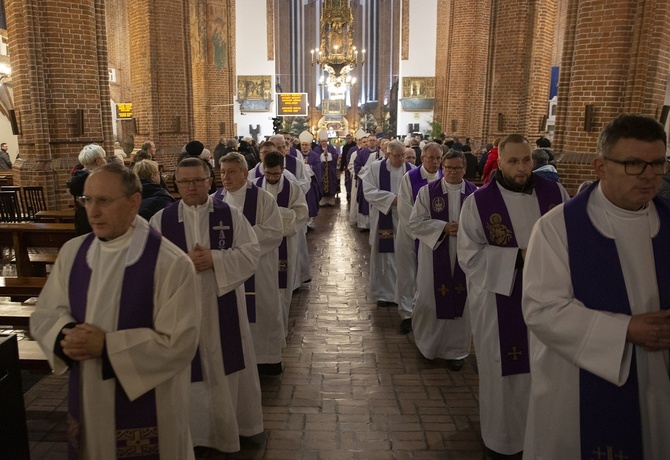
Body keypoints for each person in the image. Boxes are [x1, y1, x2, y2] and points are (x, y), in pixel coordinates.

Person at [522, 114, 670, 459]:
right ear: (600, 167)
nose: (649, 175)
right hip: (577, 387)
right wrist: (625, 330)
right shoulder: (558, 228)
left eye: (657, 163)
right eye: (633, 163)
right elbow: (541, 309)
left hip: (657, 380)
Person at [31, 163, 200, 459]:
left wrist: (107, 347)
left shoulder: (170, 263)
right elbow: (46, 312)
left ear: (134, 202)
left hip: (151, 409)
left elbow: (180, 343)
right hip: (86, 395)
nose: (92, 212)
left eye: (104, 201)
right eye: (87, 200)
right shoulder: (73, 253)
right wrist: (65, 335)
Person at [457, 134, 569, 457]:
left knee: (545, 371)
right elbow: (469, 255)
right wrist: (517, 258)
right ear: (499, 162)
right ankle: (502, 439)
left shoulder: (556, 193)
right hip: (498, 302)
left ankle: (542, 439)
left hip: (550, 300)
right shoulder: (478, 203)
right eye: (513, 161)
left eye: (526, 160)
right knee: (503, 374)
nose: (521, 169)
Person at [150, 157, 262, 453]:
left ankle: (229, 430)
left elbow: (251, 255)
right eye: (184, 181)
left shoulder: (232, 214)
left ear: (209, 181)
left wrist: (215, 258)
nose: (191, 186)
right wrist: (182, 264)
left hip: (221, 301)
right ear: (175, 184)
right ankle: (195, 434)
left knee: (225, 363)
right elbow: (149, 266)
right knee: (189, 369)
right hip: (181, 309)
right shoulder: (161, 220)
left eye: (198, 180)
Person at [214, 152, 285, 375]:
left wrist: (240, 241)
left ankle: (267, 358)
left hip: (259, 266)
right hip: (229, 268)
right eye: (223, 172)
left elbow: (274, 232)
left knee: (264, 307)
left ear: (245, 173)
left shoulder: (263, 199)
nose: (225, 177)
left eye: (231, 172)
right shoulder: (215, 200)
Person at [409, 150, 477, 369]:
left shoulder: (476, 195)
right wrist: (443, 227)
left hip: (465, 257)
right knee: (430, 299)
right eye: (448, 168)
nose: (453, 172)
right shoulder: (428, 192)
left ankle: (457, 351)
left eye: (457, 168)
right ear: (442, 168)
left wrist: (466, 230)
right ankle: (429, 345)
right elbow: (415, 223)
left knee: (463, 303)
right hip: (434, 254)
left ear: (465, 169)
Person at [252, 151, 308, 335]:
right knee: (261, 289)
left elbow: (301, 214)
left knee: (282, 291)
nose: (271, 177)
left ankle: (279, 331)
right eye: (268, 173)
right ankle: (261, 332)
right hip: (260, 246)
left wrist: (274, 219)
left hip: (284, 246)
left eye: (276, 174)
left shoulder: (293, 189)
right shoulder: (254, 187)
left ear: (282, 170)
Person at [395, 142, 443, 333]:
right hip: (409, 235)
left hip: (436, 237)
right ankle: (407, 313)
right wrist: (423, 233)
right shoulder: (410, 177)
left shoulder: (444, 177)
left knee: (428, 276)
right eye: (430, 158)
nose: (435, 162)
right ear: (422, 158)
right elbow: (405, 209)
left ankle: (426, 311)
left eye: (438, 158)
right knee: (407, 275)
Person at [363, 140, 413, 307]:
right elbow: (368, 191)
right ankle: (385, 294)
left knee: (405, 256)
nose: (400, 159)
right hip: (385, 216)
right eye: (397, 156)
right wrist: (392, 199)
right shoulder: (376, 168)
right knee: (385, 257)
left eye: (403, 156)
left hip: (406, 219)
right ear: (388, 154)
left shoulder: (411, 171)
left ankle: (406, 294)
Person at [67, 144, 107, 235]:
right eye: (104, 157)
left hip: (82, 223)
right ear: (98, 161)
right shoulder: (96, 180)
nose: (106, 160)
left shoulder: (78, 178)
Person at [314, 130, 339, 206]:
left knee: (331, 184)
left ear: (327, 141)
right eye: (322, 141)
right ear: (320, 141)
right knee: (321, 184)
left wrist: (328, 154)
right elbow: (316, 158)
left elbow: (335, 156)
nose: (324, 143)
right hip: (321, 171)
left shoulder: (331, 148)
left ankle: (331, 201)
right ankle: (322, 201)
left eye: (325, 141)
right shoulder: (316, 149)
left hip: (330, 170)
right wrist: (322, 155)